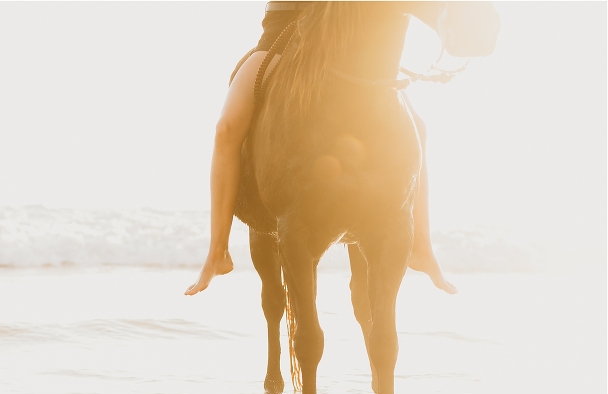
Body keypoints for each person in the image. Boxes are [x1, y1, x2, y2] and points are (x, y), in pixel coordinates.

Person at [185, 1, 457, 296]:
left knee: (418, 128)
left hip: (341, 48)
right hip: (280, 40)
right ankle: (218, 252)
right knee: (226, 128)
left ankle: (421, 246)